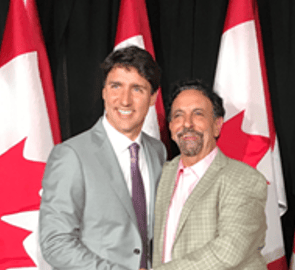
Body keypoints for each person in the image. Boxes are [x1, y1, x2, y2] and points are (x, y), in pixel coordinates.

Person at [39, 46, 167, 270]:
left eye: (137, 89)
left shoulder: (158, 151)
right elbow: (55, 243)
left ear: (153, 97)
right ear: (104, 92)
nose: (124, 100)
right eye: (116, 86)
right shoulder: (71, 155)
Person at [152, 79, 268, 269]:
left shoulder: (245, 179)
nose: (187, 124)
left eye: (198, 114)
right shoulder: (162, 174)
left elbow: (229, 251)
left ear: (217, 125)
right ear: (171, 127)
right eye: (179, 115)